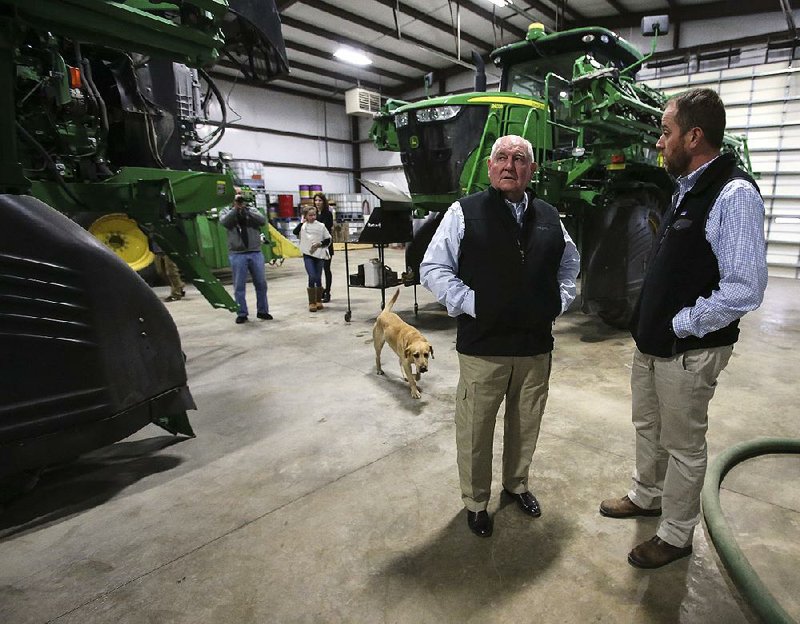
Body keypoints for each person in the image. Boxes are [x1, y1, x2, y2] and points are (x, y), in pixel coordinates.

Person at [600, 88, 768, 569]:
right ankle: (646, 494)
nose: (658, 142)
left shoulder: (733, 194)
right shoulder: (686, 188)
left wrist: (682, 323)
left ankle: (675, 534)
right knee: (648, 427)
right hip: (656, 344)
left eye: (666, 132)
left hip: (688, 350)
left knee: (684, 446)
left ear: (694, 136)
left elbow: (745, 288)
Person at [420, 134, 580, 538]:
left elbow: (569, 266)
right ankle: (476, 502)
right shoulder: (464, 212)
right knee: (476, 429)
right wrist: (476, 304)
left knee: (526, 424)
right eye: (502, 158)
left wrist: (556, 303)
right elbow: (434, 269)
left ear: (532, 169)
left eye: (520, 159)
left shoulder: (549, 215)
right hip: (484, 348)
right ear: (490, 167)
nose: (510, 166)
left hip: (534, 348)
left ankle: (517, 485)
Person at [220, 195, 272, 324]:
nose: (239, 201)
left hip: (255, 252)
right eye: (236, 198)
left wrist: (246, 210)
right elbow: (225, 222)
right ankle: (242, 313)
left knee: (261, 283)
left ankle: (263, 311)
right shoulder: (226, 211)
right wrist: (235, 210)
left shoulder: (251, 209)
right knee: (239, 286)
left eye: (240, 198)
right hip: (237, 254)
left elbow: (262, 220)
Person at [293, 206, 331, 312]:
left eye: (314, 215)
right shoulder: (303, 227)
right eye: (310, 215)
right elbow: (295, 232)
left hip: (319, 254)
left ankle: (318, 300)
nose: (312, 217)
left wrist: (320, 244)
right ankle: (311, 302)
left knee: (318, 277)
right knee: (312, 276)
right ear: (305, 216)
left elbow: (328, 238)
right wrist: (301, 222)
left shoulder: (321, 226)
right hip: (308, 254)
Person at [313, 192, 335, 302]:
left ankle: (328, 292)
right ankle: (320, 290)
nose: (317, 203)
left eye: (320, 200)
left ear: (324, 201)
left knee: (326, 269)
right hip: (316, 245)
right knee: (317, 270)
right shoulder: (314, 213)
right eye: (316, 200)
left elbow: (326, 228)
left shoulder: (328, 214)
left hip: (326, 245)